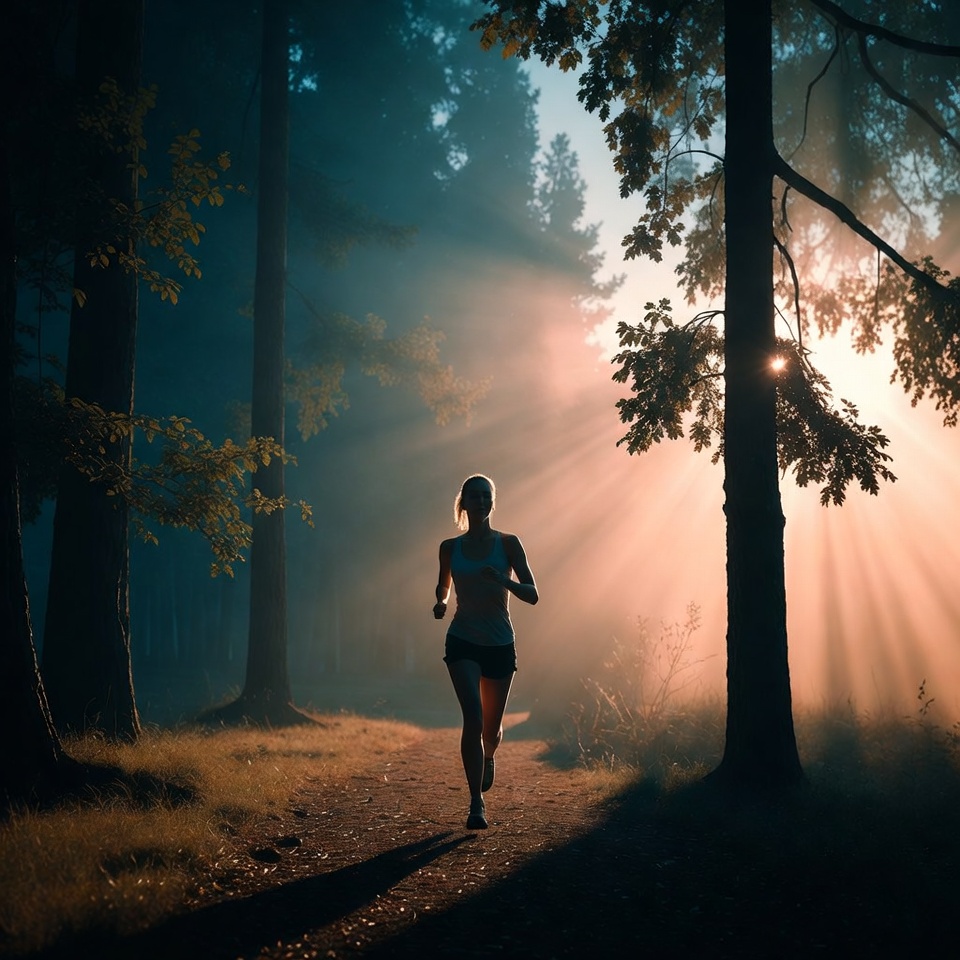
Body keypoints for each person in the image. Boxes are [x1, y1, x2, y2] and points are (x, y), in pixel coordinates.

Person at [433, 473, 539, 830]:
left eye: (485, 496)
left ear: (492, 502)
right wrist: (440, 603)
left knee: (490, 730)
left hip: (499, 643)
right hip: (462, 638)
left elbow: (532, 593)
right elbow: (443, 585)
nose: (479, 501)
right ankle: (476, 802)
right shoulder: (450, 547)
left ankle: (489, 754)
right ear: (462, 503)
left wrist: (504, 580)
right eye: (473, 496)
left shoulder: (509, 544)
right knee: (473, 719)